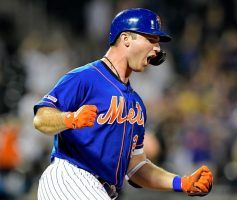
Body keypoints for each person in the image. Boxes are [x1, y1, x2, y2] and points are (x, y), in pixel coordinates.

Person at [33, 8, 213, 200]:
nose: (158, 49)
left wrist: (181, 182)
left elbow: (136, 167)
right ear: (126, 38)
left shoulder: (137, 105)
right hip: (71, 178)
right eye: (151, 40)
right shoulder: (86, 77)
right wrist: (70, 118)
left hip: (102, 190)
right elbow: (41, 118)